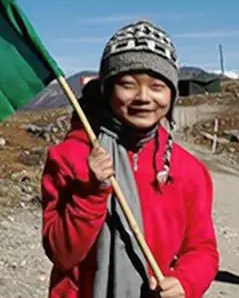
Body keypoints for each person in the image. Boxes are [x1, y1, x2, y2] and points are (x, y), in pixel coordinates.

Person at [41, 20, 219, 297]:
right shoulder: (70, 157)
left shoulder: (188, 171)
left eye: (157, 86)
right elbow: (62, 254)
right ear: (108, 89)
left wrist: (186, 281)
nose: (143, 98)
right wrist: (91, 192)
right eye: (127, 84)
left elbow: (202, 249)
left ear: (172, 95)